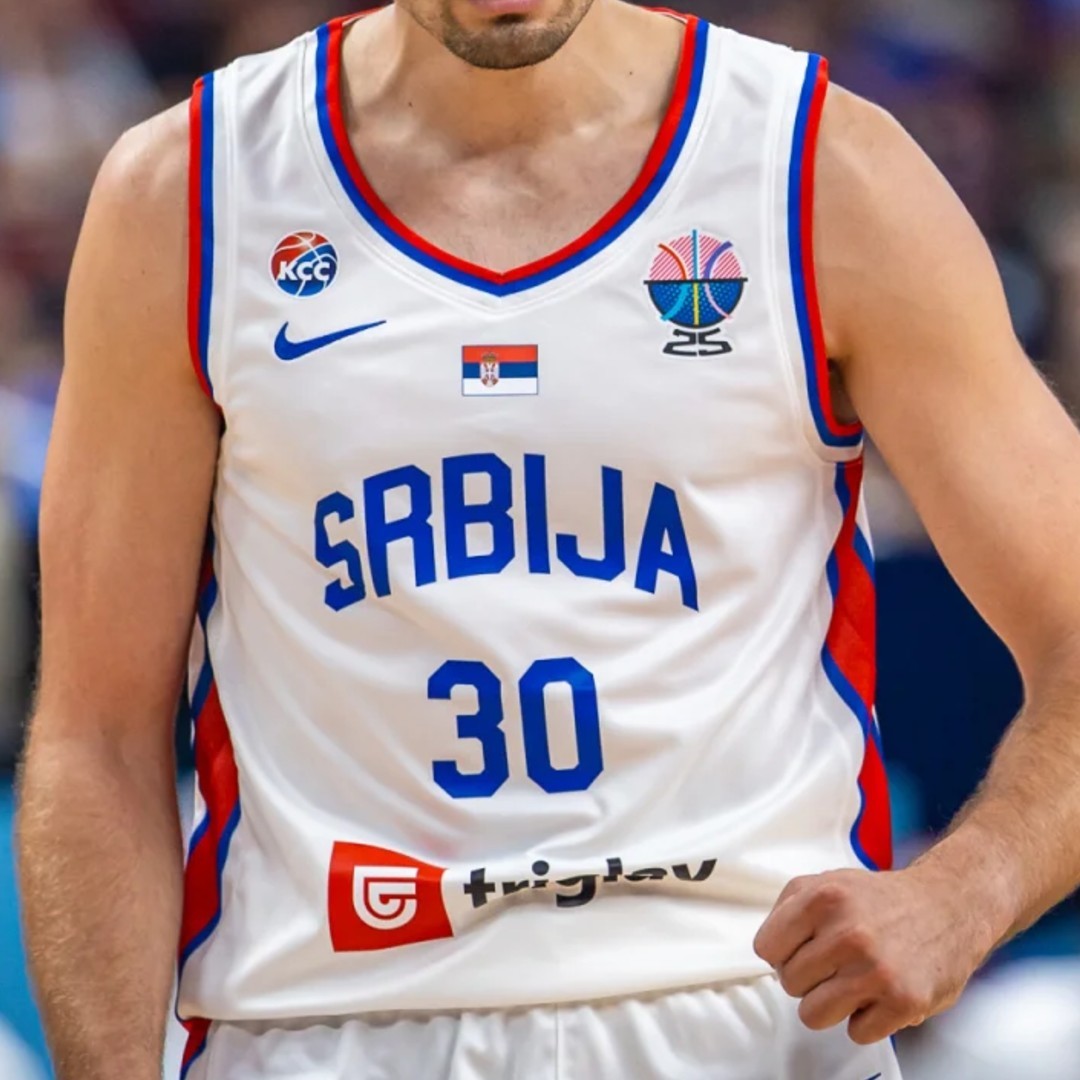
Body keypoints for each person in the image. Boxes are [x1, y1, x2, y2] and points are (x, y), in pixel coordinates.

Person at [16, 0, 1080, 1077]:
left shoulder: (817, 169)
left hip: (749, 1011)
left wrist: (967, 892)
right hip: (330, 1021)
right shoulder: (189, 193)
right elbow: (96, 735)